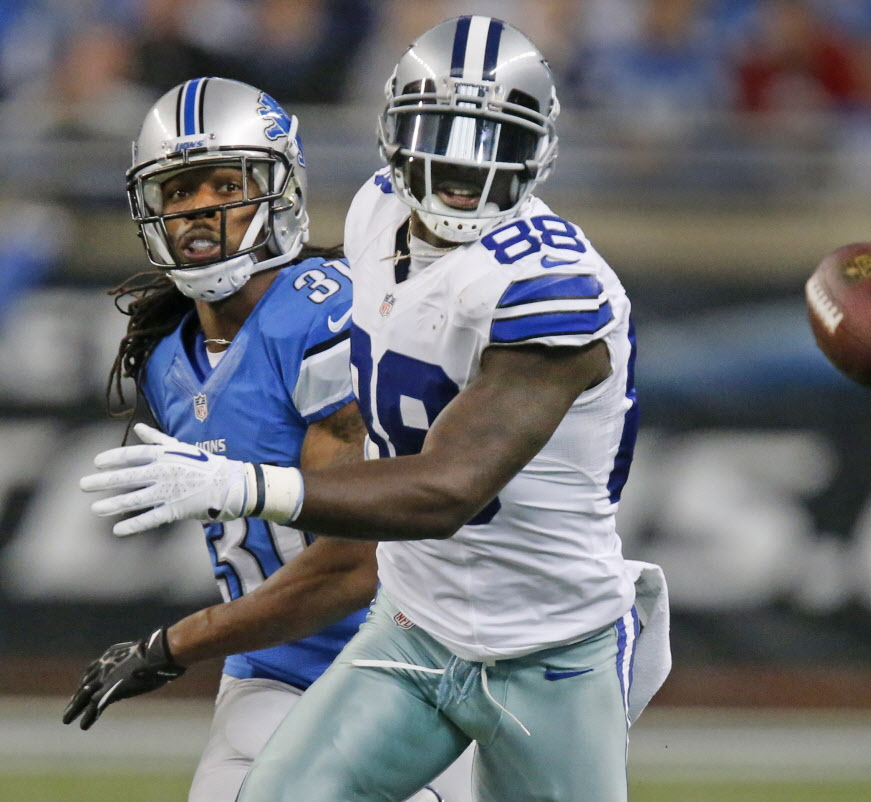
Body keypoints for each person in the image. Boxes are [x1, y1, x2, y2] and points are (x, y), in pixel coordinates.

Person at [81, 18, 671, 802]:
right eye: (441, 133)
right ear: (392, 133)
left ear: (542, 152)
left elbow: (446, 490)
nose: (463, 163)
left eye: (496, 138)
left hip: (545, 643)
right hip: (413, 625)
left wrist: (242, 486)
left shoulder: (553, 287)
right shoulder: (374, 215)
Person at [63, 76, 465, 802]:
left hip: (407, 662)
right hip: (272, 669)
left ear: (280, 187)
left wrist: (173, 646)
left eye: (225, 182)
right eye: (178, 192)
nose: (199, 210)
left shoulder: (325, 317)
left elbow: (353, 567)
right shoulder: (164, 357)